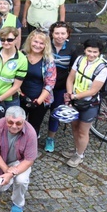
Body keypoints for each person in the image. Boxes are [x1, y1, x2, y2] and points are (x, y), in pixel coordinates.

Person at [63, 38, 107, 168]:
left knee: (83, 131)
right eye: (89, 51)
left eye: (95, 52)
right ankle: (77, 149)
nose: (91, 54)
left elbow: (93, 91)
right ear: (84, 50)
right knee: (74, 127)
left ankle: (79, 155)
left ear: (99, 53)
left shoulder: (102, 68)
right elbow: (70, 79)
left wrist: (74, 96)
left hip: (89, 104)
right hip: (75, 99)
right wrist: (69, 95)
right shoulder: (79, 60)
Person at [0, 106, 38, 212]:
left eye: (18, 123)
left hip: (20, 162)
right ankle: (8, 178)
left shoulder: (31, 133)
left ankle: (18, 203)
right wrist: (6, 169)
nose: (14, 126)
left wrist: (11, 173)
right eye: (10, 122)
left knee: (21, 180)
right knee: (0, 188)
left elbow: (29, 160)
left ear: (24, 121)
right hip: (2, 161)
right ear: (6, 119)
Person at [0, 26, 28, 126]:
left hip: (10, 100)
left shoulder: (22, 60)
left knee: (10, 126)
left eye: (10, 40)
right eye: (2, 39)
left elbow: (16, 86)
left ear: (16, 39)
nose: (6, 42)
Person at [45, 22, 77, 153]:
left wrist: (69, 92)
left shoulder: (72, 49)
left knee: (55, 113)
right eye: (57, 33)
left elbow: (73, 71)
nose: (59, 36)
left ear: (67, 34)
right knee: (38, 112)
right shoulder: (46, 45)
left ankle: (50, 138)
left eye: (63, 33)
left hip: (60, 87)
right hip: (44, 86)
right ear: (52, 33)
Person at [20, 30, 56, 134]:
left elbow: (50, 84)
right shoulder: (21, 55)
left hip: (40, 100)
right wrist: (22, 96)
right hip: (20, 96)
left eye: (41, 43)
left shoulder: (48, 60)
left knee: (33, 129)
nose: (38, 45)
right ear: (30, 41)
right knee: (17, 124)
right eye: (35, 42)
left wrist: (38, 101)